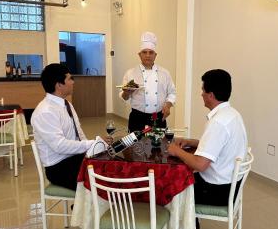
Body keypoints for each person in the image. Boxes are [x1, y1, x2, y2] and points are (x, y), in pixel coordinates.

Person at [167, 69, 248, 229]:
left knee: (175, 189)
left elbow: (200, 165)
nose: (201, 93)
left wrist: (176, 150)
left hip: (218, 189)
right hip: (230, 184)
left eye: (203, 90)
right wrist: (190, 142)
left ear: (210, 95)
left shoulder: (218, 123)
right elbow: (217, 146)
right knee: (184, 182)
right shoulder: (232, 114)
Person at [31, 63, 111, 191]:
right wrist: (91, 144)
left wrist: (93, 150)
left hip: (74, 158)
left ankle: (88, 208)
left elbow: (79, 133)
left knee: (110, 166)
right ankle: (86, 209)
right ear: (59, 85)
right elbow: (59, 146)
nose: (73, 82)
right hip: (58, 168)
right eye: (69, 79)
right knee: (102, 181)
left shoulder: (66, 104)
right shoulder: (45, 112)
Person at [120, 31, 176, 132]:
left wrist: (168, 106)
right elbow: (124, 97)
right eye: (144, 52)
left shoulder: (165, 73)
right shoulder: (130, 73)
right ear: (139, 55)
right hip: (137, 118)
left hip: (158, 117)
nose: (148, 55)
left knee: (159, 146)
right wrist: (126, 92)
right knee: (136, 146)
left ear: (155, 55)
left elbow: (172, 93)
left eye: (151, 52)